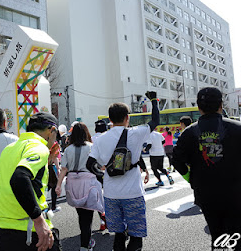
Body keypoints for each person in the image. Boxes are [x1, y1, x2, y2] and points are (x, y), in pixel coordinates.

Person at [86, 91, 159, 251]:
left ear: (110, 119)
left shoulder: (100, 139)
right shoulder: (136, 133)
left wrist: (103, 176)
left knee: (119, 235)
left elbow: (90, 164)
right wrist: (154, 100)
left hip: (111, 196)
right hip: (133, 193)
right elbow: (155, 121)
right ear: (127, 117)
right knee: (136, 237)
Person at [172, 87, 241, 250]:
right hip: (236, 192)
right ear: (221, 105)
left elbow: (177, 161)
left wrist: (191, 179)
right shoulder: (237, 128)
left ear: (198, 107)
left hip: (206, 193)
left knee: (216, 233)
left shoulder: (188, 133)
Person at [0, 112, 61, 251]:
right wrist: (38, 220)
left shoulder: (8, 149)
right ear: (51, 131)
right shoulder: (39, 147)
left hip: (5, 230)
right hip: (30, 231)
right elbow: (19, 178)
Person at [56, 122, 104, 251]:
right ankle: (85, 245)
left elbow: (64, 169)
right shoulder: (91, 147)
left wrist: (58, 185)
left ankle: (86, 242)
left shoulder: (68, 149)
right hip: (88, 182)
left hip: (73, 183)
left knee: (81, 215)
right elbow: (100, 165)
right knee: (88, 217)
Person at [48, 142, 61, 213]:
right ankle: (53, 206)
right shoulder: (53, 144)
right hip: (50, 167)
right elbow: (54, 157)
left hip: (40, 167)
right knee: (54, 185)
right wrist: (58, 168)